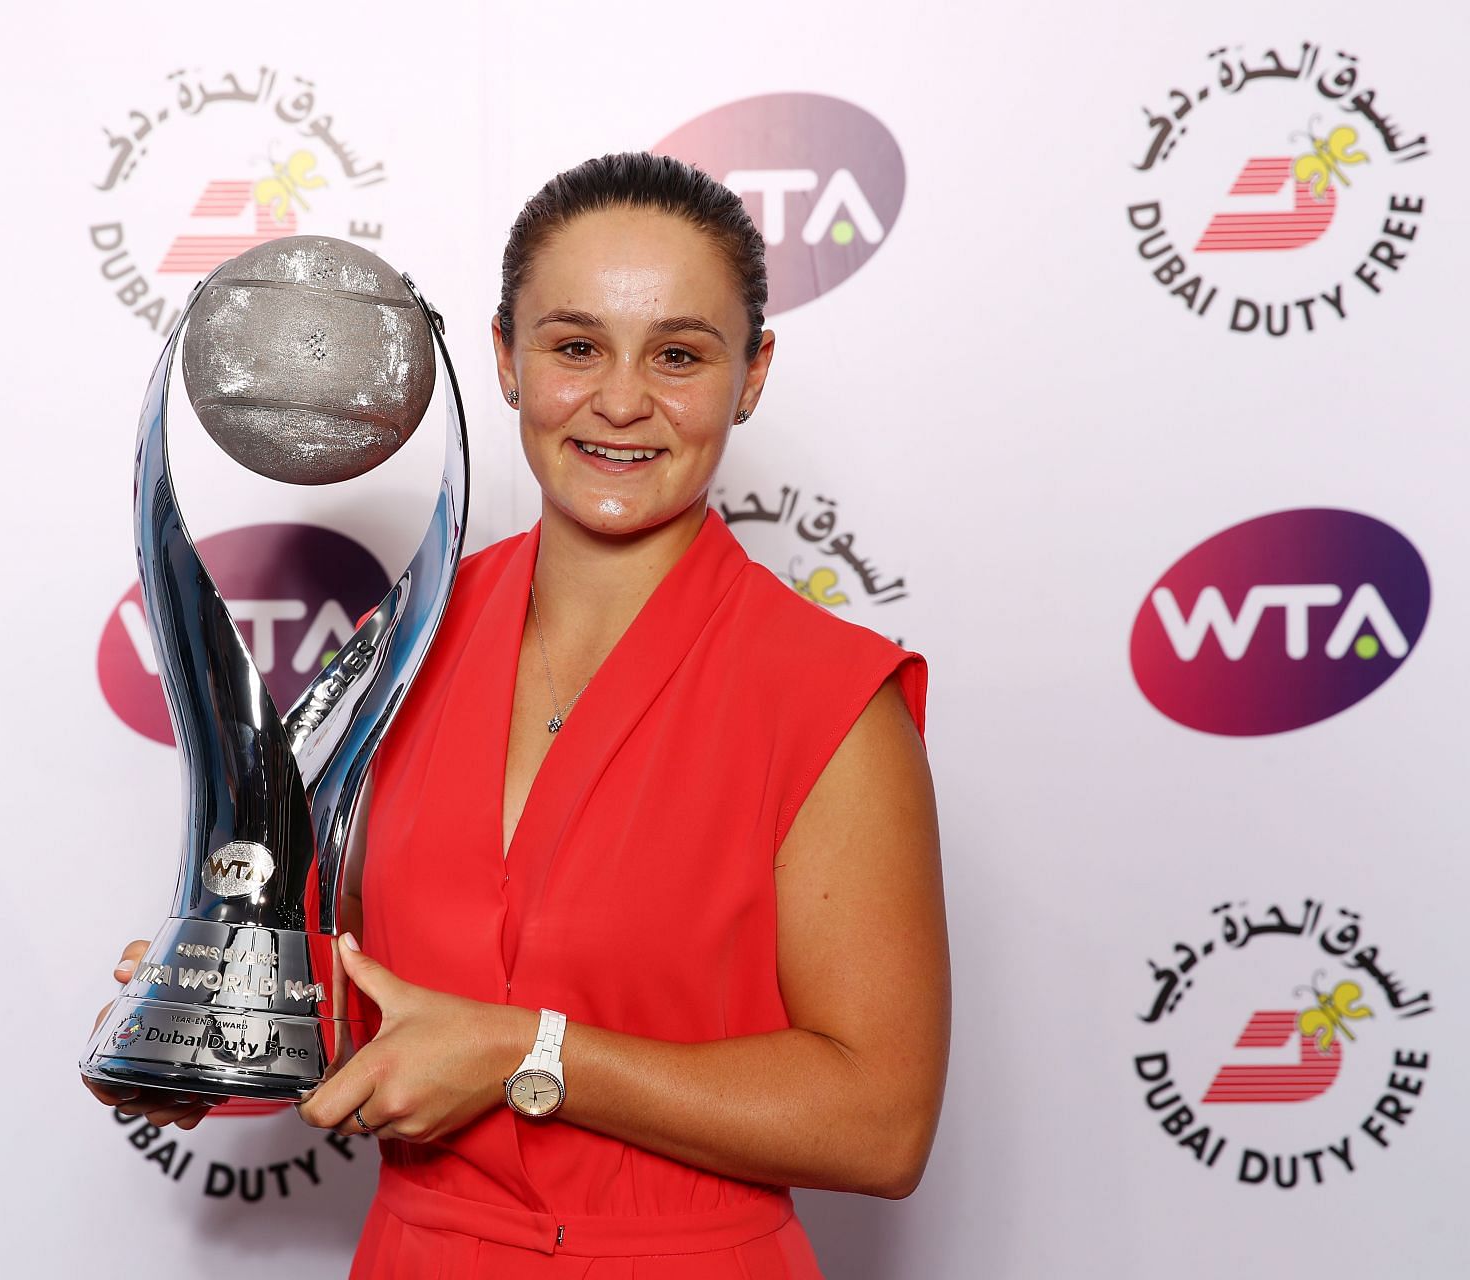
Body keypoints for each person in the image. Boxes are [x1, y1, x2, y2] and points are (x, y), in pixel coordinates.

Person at [84, 151, 949, 1277]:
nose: (623, 399)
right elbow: (374, 1013)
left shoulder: (831, 694)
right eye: (575, 345)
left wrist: (526, 1051)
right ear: (503, 356)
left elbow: (881, 1124)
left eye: (679, 354)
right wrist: (224, 1024)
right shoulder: (397, 647)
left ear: (752, 373)